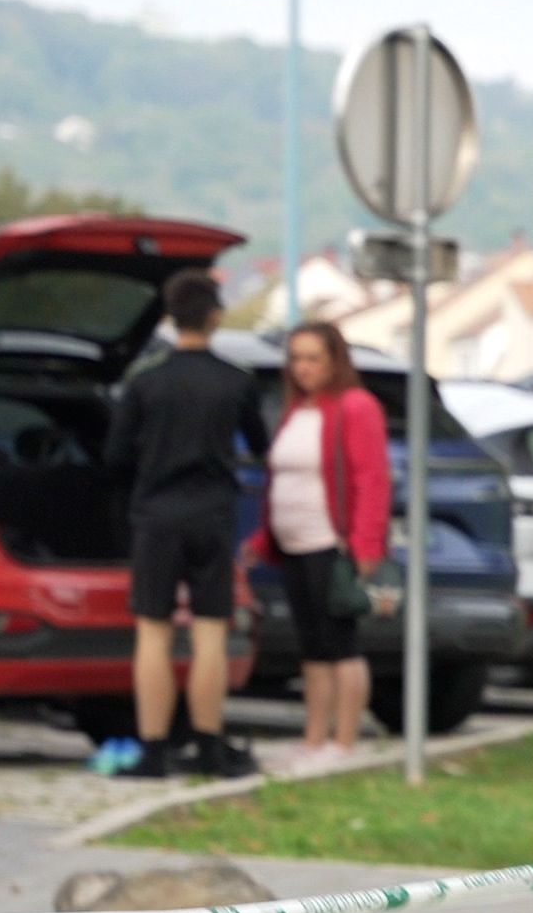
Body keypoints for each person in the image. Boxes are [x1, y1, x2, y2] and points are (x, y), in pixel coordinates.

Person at [102, 271, 267, 779]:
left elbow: (115, 458)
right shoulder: (237, 381)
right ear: (215, 316)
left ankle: (153, 751)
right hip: (213, 516)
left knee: (153, 632)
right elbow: (261, 447)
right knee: (210, 631)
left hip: (156, 517)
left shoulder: (144, 381)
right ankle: (210, 748)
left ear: (170, 319)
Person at [263, 322, 393, 766]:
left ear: (335, 361)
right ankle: (314, 738)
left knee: (340, 643)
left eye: (313, 359)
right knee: (312, 646)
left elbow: (371, 478)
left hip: (330, 542)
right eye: (296, 358)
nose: (302, 368)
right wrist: (263, 537)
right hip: (293, 543)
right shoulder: (296, 410)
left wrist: (366, 543)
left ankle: (344, 742)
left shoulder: (355, 406)